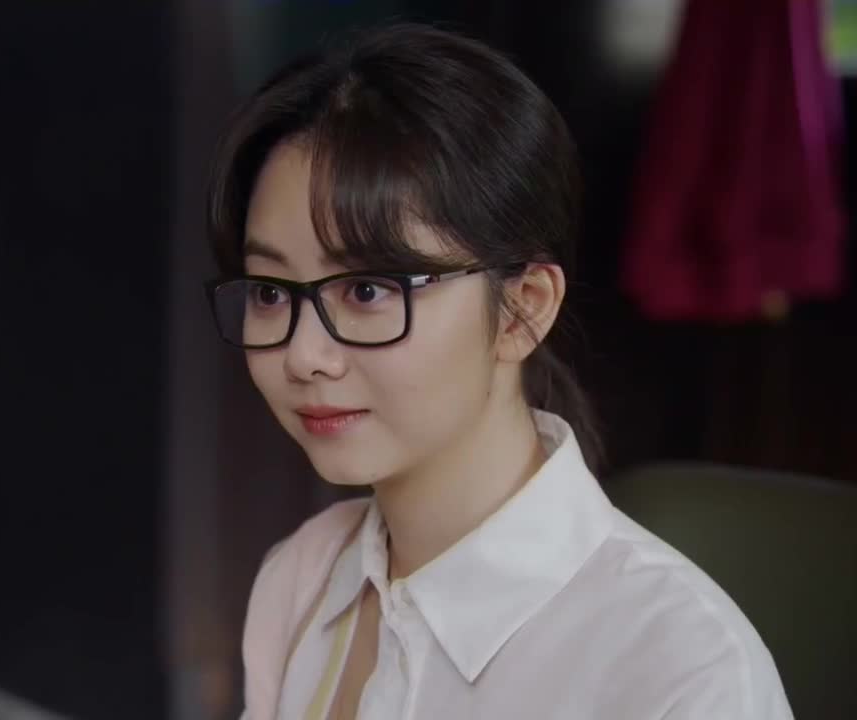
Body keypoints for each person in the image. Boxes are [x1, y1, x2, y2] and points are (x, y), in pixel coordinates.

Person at [201, 22, 792, 720]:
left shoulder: (683, 669)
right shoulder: (301, 577)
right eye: (271, 292)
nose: (303, 355)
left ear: (522, 310)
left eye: (366, 290)